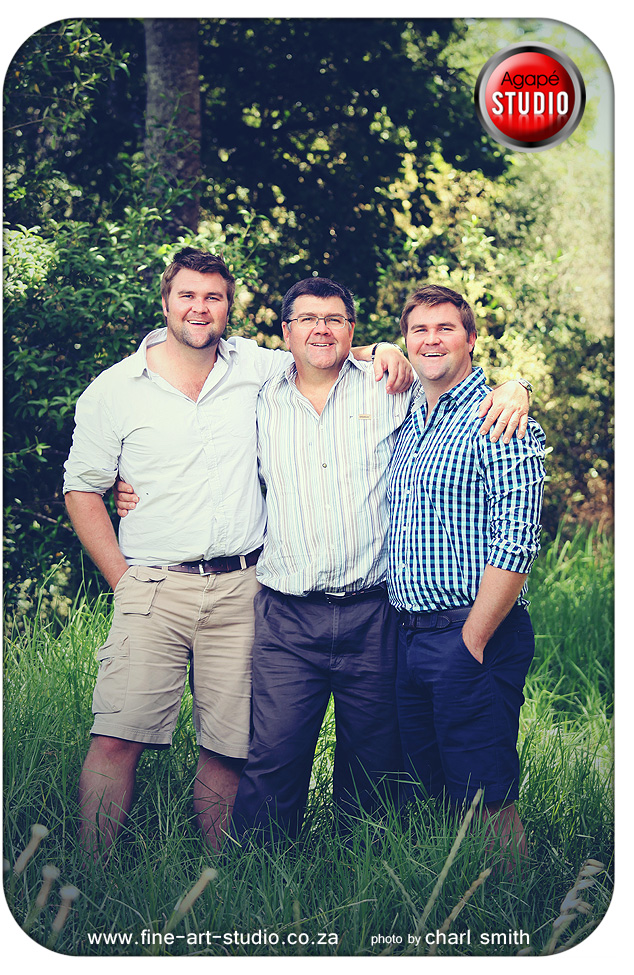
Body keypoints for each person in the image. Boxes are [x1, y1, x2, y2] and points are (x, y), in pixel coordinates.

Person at [63, 248, 410, 856]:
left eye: (214, 297)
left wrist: (387, 350)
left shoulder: (256, 367)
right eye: (188, 296)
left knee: (230, 746)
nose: (200, 308)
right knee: (118, 734)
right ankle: (90, 870)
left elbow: (324, 350)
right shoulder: (114, 389)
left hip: (242, 589)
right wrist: (124, 579)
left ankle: (226, 876)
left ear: (229, 308)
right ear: (165, 303)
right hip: (154, 585)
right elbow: (81, 489)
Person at [228, 277, 531, 846]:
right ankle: (253, 872)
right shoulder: (258, 394)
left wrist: (518, 386)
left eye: (335, 320)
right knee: (273, 757)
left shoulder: (393, 390)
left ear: (353, 330)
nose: (321, 330)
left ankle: (362, 870)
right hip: (289, 616)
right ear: (285, 332)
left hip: (378, 615)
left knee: (377, 766)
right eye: (308, 319)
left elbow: (515, 538)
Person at [386, 284, 546, 868]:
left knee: (487, 793)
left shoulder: (500, 419)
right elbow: (325, 346)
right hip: (409, 636)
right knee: (436, 791)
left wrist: (472, 639)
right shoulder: (411, 417)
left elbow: (517, 539)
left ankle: (514, 906)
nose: (431, 340)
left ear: (471, 339)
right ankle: (456, 898)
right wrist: (378, 349)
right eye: (419, 330)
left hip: (470, 632)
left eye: (445, 329)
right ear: (406, 341)